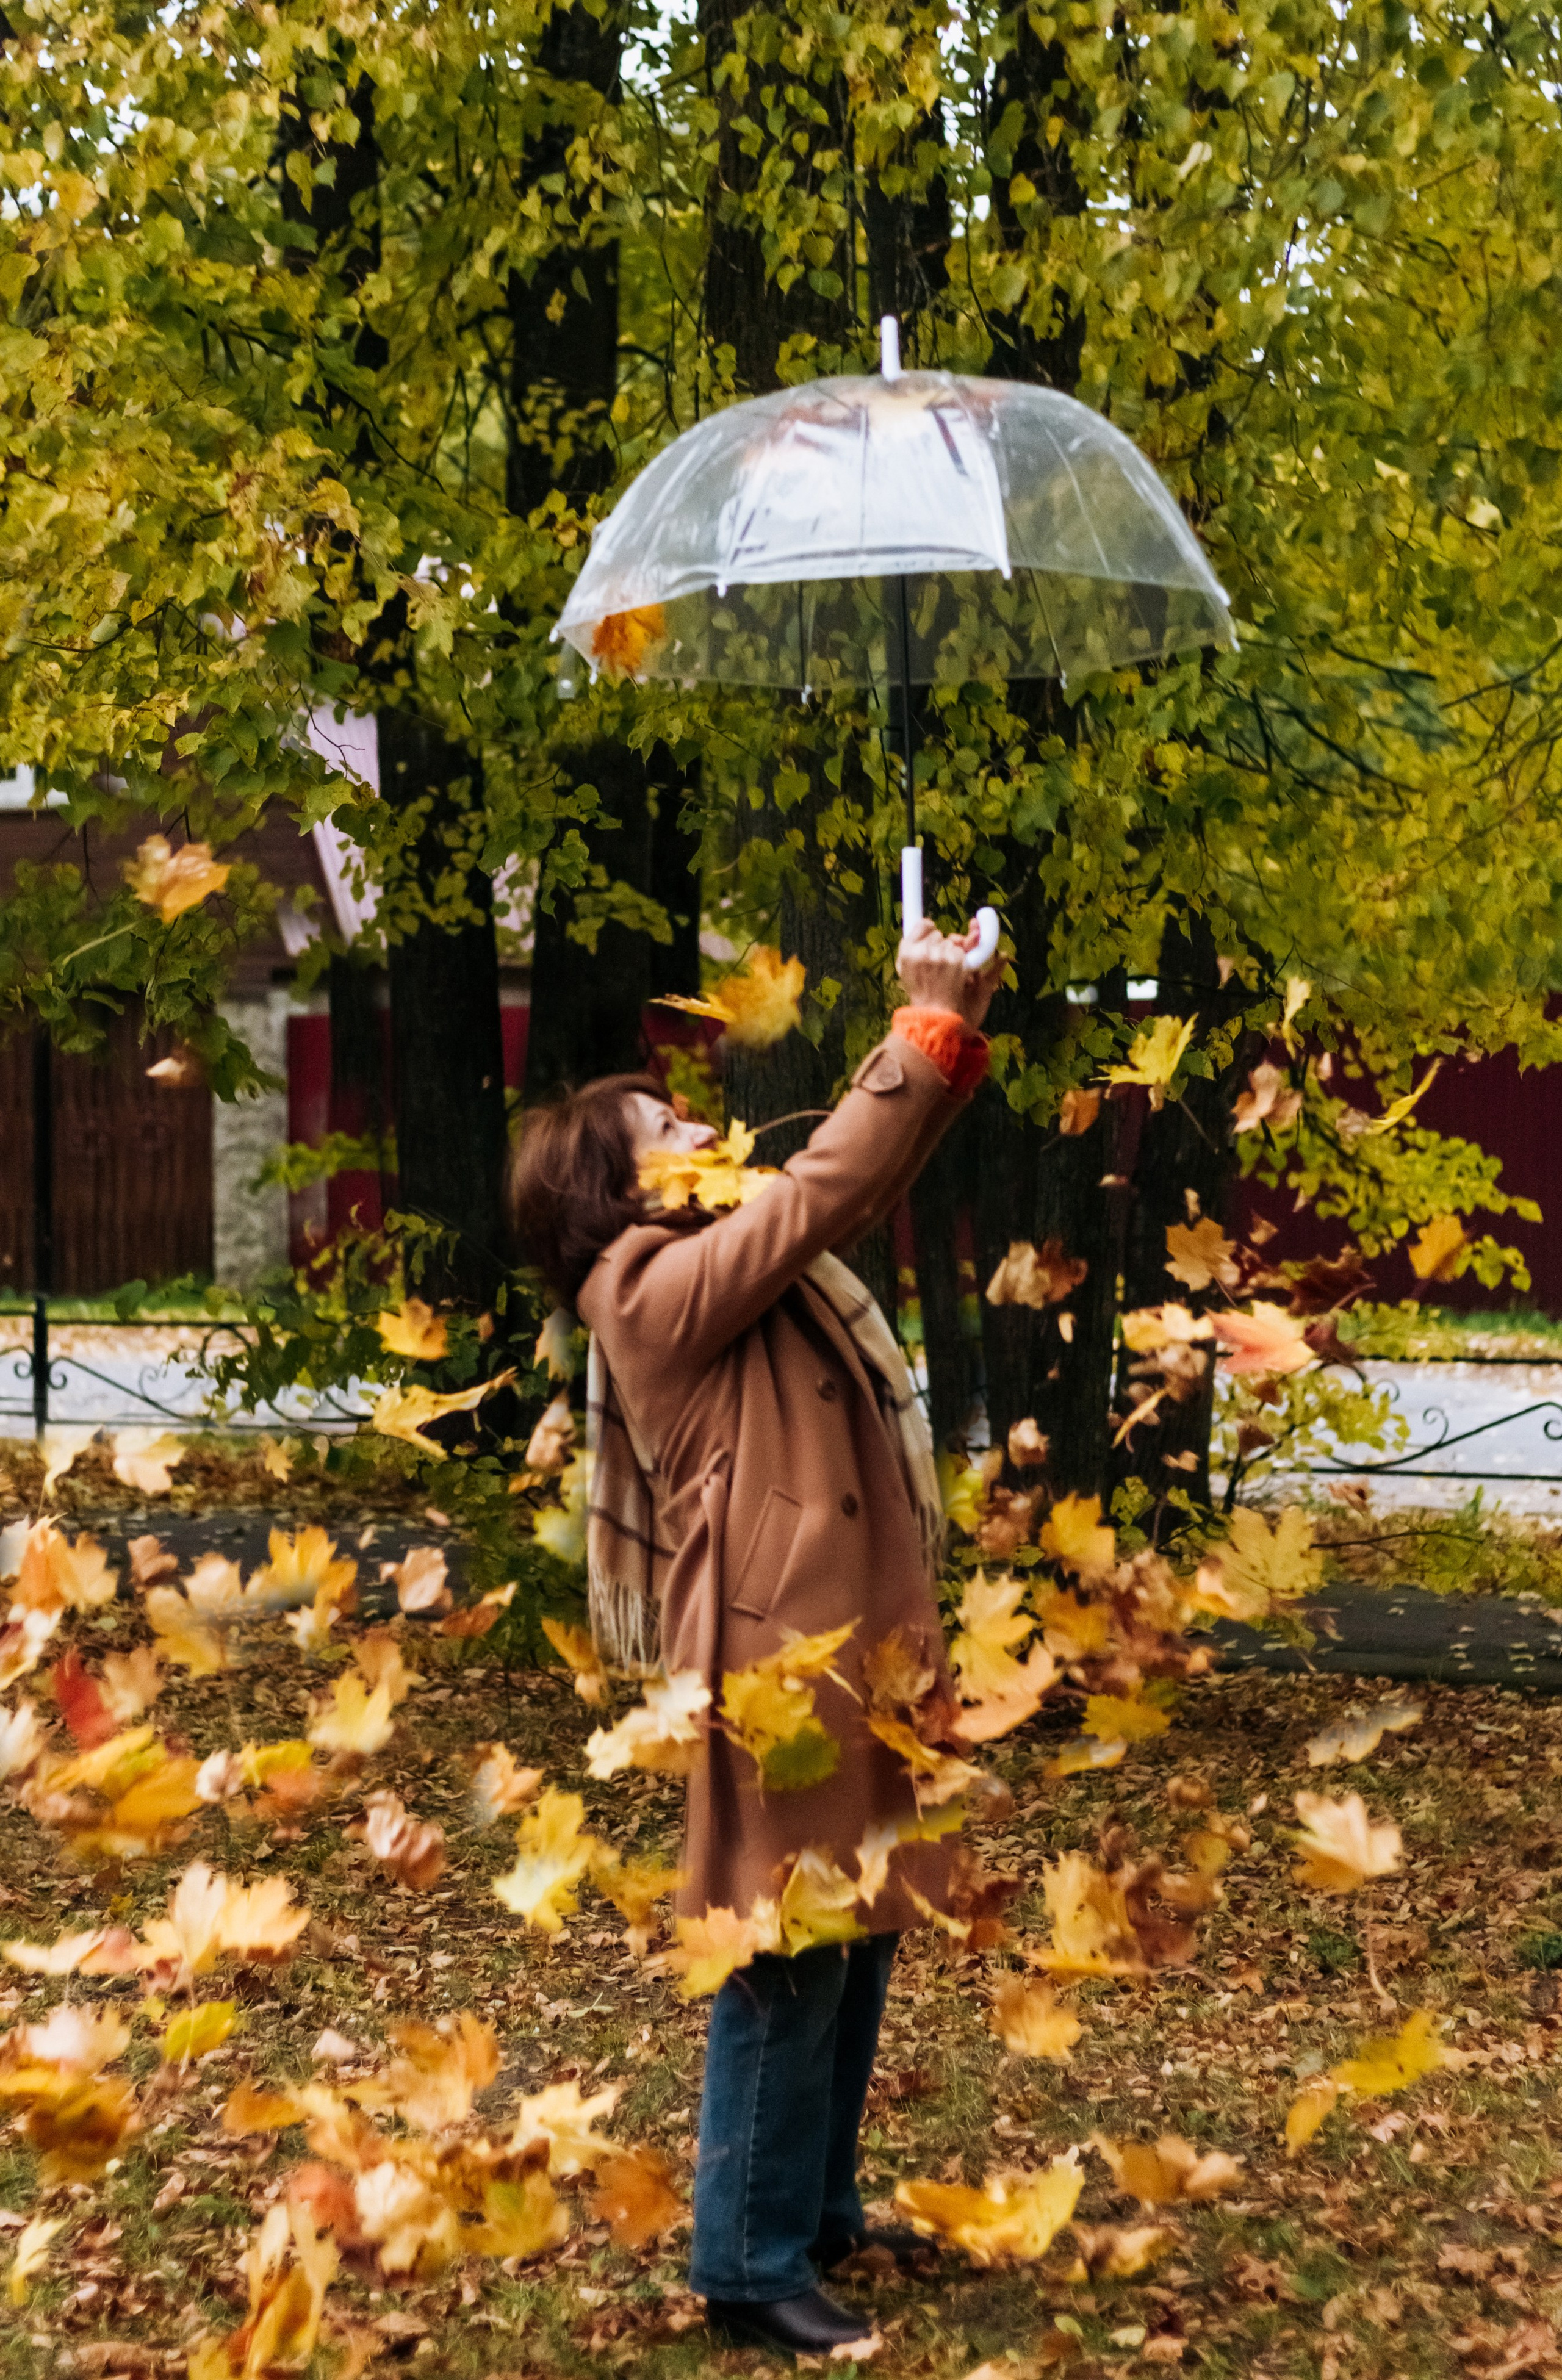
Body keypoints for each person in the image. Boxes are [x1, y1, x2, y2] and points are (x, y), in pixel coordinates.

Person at [508, 916, 1002, 2356]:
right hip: (771, 1656)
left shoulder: (719, 1254)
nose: (703, 1120)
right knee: (784, 1952)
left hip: (839, 1641)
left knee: (852, 1932)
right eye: (668, 1122)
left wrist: (945, 1033)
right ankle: (742, 2260)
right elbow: (817, 1197)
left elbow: (846, 1182)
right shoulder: (649, 1291)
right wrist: (916, 1035)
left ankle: (815, 2210)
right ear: (613, 1185)